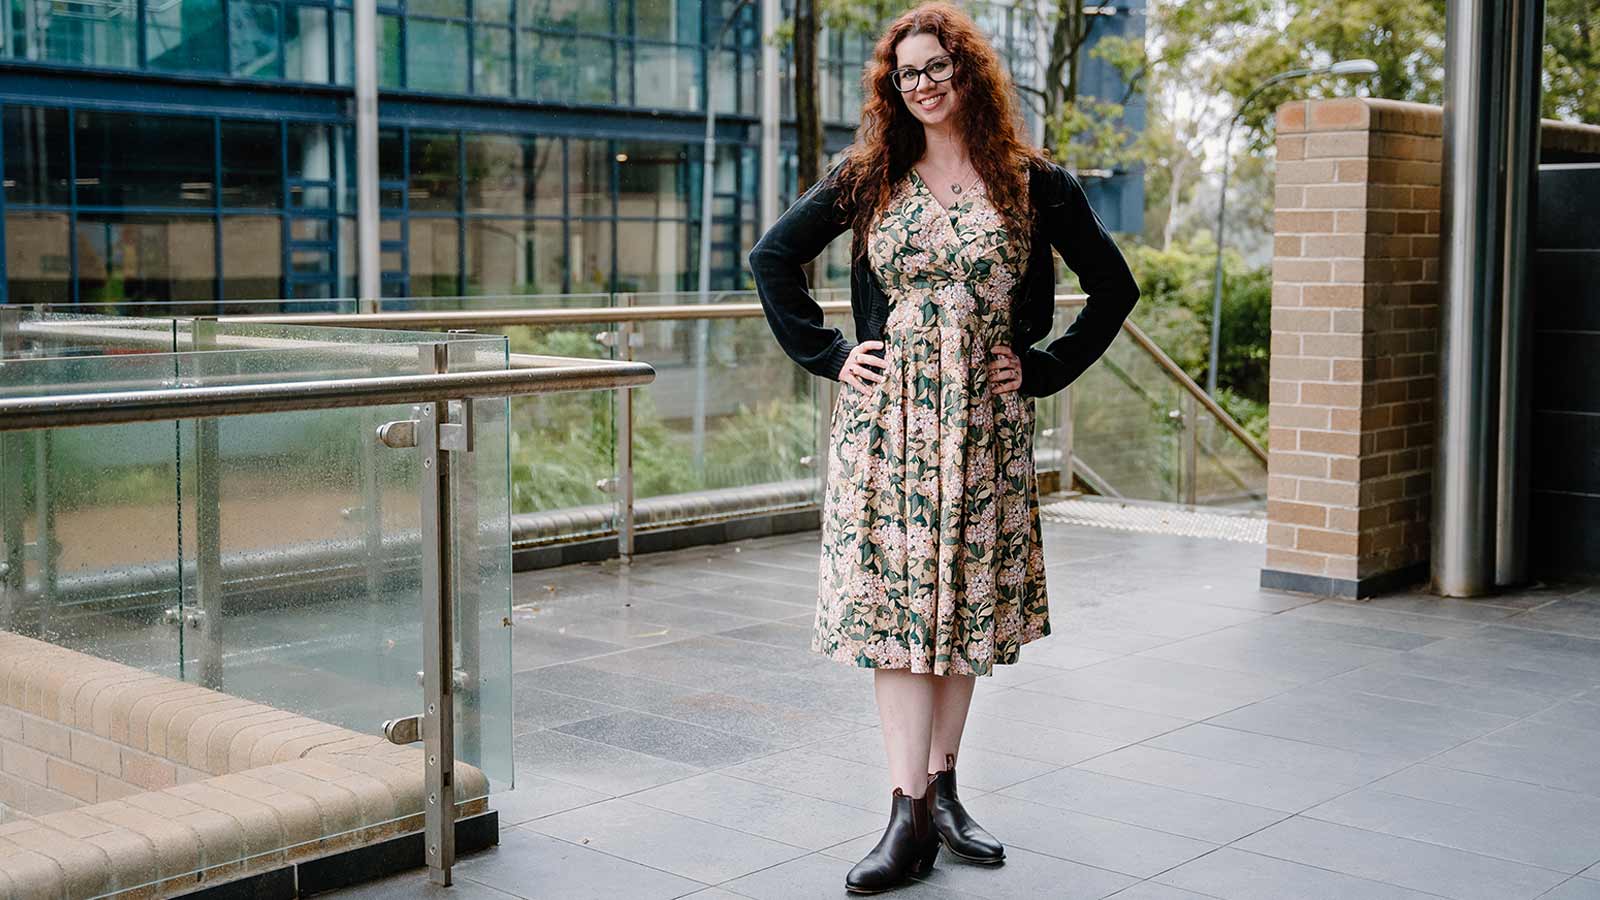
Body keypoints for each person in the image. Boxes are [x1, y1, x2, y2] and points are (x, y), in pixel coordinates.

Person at [749, 2, 1139, 893]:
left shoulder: (1033, 182)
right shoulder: (869, 174)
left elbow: (1114, 287)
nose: (923, 84)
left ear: (970, 74)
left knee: (960, 608)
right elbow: (774, 258)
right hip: (886, 429)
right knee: (894, 614)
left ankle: (943, 790)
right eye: (907, 72)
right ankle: (907, 811)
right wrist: (833, 354)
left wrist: (1043, 369)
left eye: (939, 68)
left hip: (984, 426)